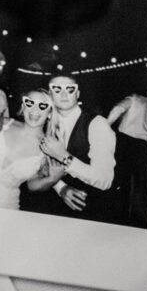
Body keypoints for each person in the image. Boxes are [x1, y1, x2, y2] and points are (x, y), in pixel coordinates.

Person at [32, 74, 118, 223]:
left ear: (77, 94)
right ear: (50, 95)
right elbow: (44, 167)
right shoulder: (46, 122)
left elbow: (105, 180)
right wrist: (61, 188)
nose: (64, 94)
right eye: (57, 89)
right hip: (54, 207)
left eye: (70, 89)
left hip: (91, 211)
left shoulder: (98, 125)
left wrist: (64, 157)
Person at [107, 91, 147, 227]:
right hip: (144, 147)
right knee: (139, 184)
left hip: (125, 142)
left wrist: (106, 125)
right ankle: (135, 217)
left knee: (119, 179)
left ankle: (116, 214)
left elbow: (118, 109)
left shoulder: (135, 99)